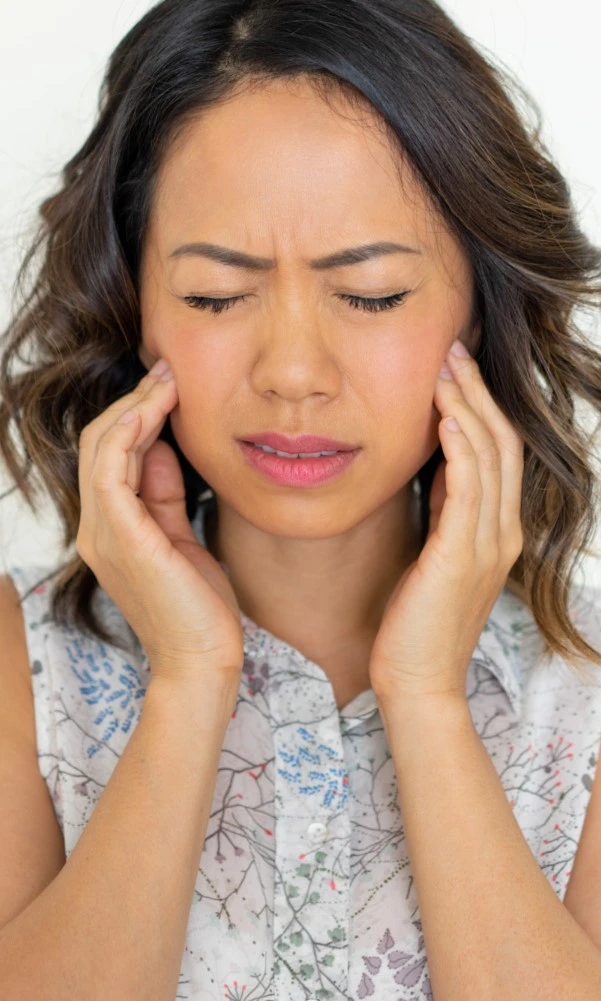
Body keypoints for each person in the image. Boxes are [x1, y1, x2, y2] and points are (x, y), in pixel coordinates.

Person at [1, 0, 601, 998]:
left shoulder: (581, 684)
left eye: (368, 293)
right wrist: (190, 678)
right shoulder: (25, 670)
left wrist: (425, 697)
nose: (290, 371)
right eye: (213, 296)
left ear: (479, 307)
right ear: (135, 309)